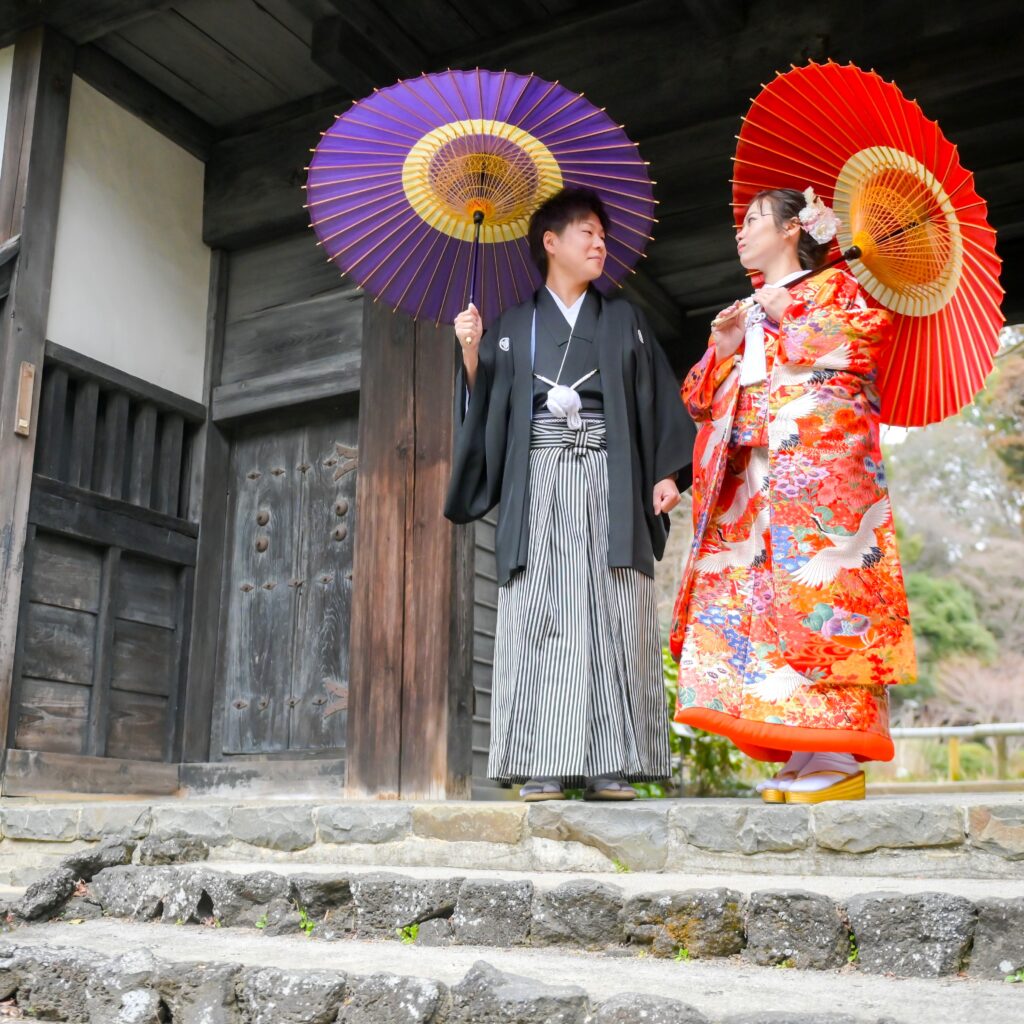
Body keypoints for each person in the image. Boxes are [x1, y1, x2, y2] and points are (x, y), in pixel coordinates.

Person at [445, 187, 695, 802]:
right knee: (542, 612)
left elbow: (657, 401)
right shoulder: (510, 327)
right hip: (539, 481)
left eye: (602, 235)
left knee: (611, 608)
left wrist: (666, 471)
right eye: (586, 232)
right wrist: (473, 353)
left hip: (610, 477)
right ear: (550, 243)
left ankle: (611, 764)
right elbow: (487, 416)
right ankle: (543, 764)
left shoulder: (624, 320)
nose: (599, 242)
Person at [669, 187, 916, 804]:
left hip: (816, 487)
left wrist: (793, 315)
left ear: (790, 231)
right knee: (767, 614)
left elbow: (865, 346)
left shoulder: (836, 289)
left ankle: (836, 751)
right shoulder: (747, 305)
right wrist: (723, 348)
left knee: (822, 606)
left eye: (753, 221)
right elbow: (700, 402)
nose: (740, 232)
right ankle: (802, 748)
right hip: (752, 481)